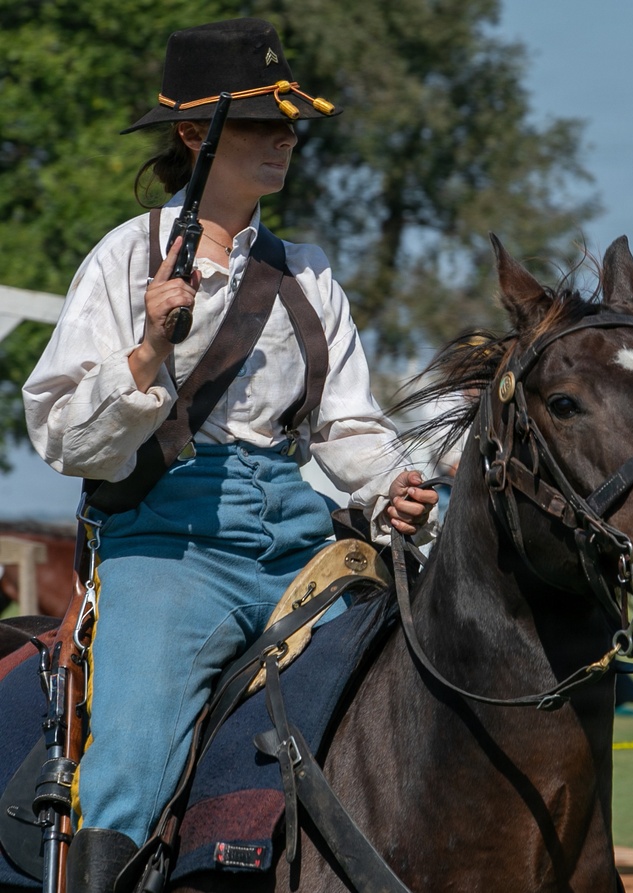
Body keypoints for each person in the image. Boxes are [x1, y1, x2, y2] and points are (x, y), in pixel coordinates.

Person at [21, 18, 437, 891]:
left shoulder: (312, 274)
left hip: (300, 543)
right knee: (131, 745)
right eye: (260, 121)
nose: (286, 137)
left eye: (288, 121)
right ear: (191, 134)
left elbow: (347, 425)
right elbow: (61, 434)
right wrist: (145, 356)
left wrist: (391, 485)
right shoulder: (125, 258)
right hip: (169, 546)